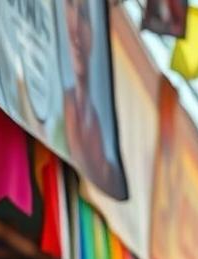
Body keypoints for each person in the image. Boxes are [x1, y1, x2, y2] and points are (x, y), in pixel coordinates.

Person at [61, 0, 123, 195]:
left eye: (85, 16)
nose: (76, 29)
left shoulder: (96, 126)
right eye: (71, 8)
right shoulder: (51, 109)